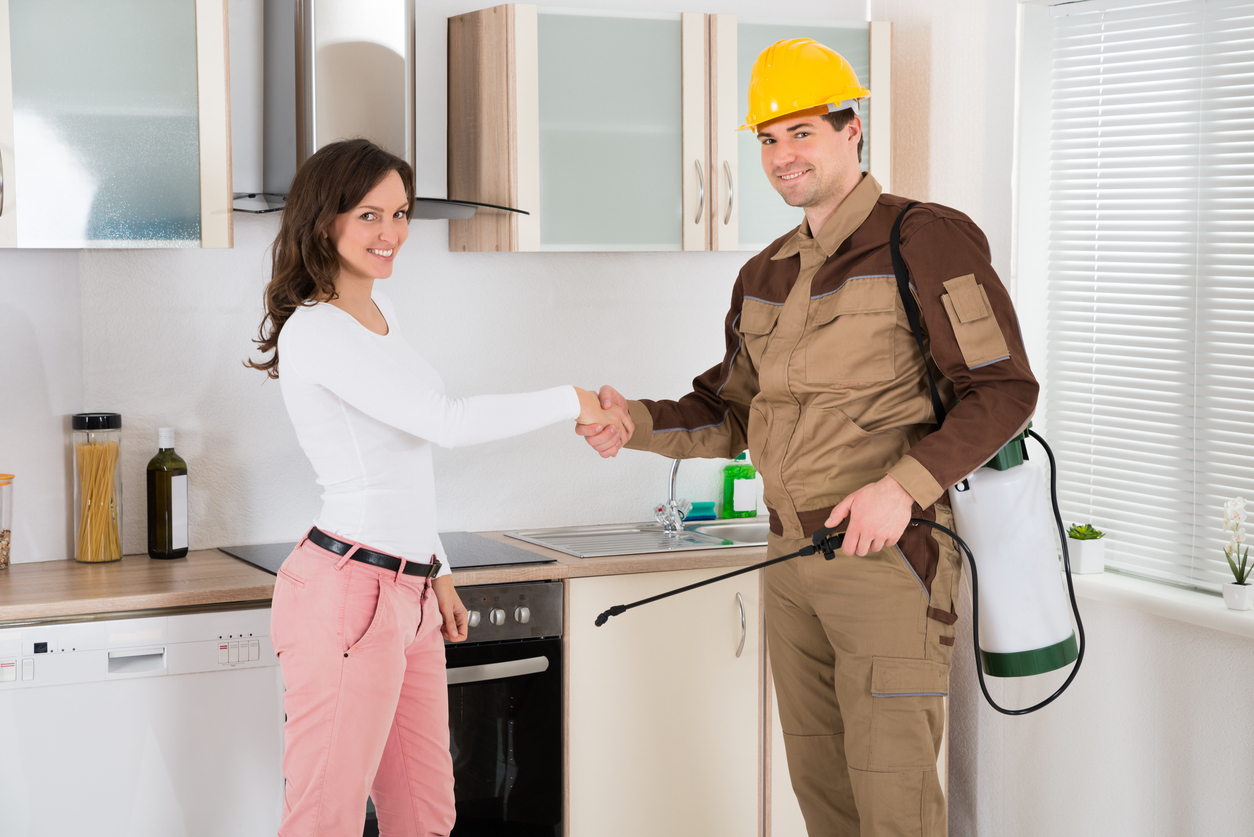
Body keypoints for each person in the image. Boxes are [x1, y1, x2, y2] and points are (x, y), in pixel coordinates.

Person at [579, 39, 1038, 836]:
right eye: (767, 138)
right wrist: (637, 423)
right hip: (789, 562)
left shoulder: (922, 238)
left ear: (851, 129)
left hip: (887, 563)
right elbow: (729, 411)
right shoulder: (764, 273)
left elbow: (1002, 390)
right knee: (823, 802)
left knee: (894, 808)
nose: (782, 156)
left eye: (800, 132)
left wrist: (901, 489)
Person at [247, 138, 631, 837]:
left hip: (411, 590)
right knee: (324, 819)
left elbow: (408, 459)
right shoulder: (316, 330)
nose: (391, 233)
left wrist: (440, 571)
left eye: (400, 214)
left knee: (426, 814)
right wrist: (570, 397)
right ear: (324, 219)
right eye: (369, 215)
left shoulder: (384, 319)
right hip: (345, 591)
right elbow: (443, 423)